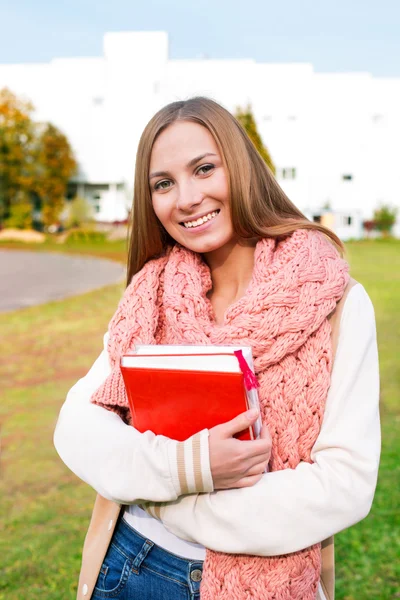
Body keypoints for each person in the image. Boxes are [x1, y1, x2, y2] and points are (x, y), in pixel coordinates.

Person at [54, 97, 380, 600]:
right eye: (163, 183)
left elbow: (343, 484)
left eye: (204, 168)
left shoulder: (336, 301)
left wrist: (168, 499)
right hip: (130, 566)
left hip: (265, 580)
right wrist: (190, 468)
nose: (185, 198)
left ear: (242, 168)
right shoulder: (153, 294)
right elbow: (78, 427)